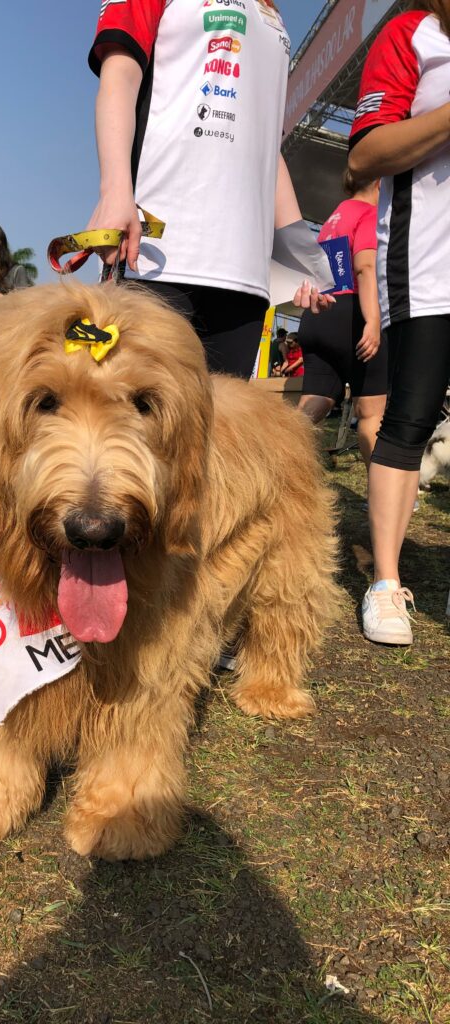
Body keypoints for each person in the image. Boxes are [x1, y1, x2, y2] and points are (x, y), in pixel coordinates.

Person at [86, 0, 332, 379]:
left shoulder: (270, 12)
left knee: (218, 431)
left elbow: (267, 147)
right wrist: (113, 190)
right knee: (135, 419)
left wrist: (303, 259)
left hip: (243, 272)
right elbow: (119, 74)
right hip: (157, 253)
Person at [348, 0, 450, 645]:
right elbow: (364, 157)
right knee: (407, 420)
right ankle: (385, 581)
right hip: (431, 266)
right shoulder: (414, 31)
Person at [297, 173, 386, 468]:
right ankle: (386, 496)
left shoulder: (333, 218)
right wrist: (373, 320)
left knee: (312, 404)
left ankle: (271, 464)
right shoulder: (369, 213)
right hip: (352, 313)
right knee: (371, 413)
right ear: (379, 182)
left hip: (319, 314)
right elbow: (365, 267)